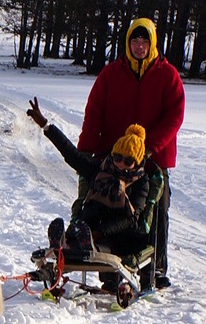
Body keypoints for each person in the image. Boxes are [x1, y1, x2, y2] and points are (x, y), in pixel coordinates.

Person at [76, 17, 184, 288]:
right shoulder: (111, 74)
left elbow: (175, 116)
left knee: (154, 211)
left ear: (152, 43)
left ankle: (155, 267)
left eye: (144, 41)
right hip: (115, 159)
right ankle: (109, 265)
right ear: (127, 43)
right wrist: (87, 150)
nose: (139, 46)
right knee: (110, 212)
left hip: (152, 159)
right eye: (134, 41)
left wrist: (149, 149)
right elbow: (94, 112)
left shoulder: (167, 75)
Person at [27, 97, 163, 267]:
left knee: (107, 240)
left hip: (121, 233)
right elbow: (72, 155)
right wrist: (46, 126)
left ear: (136, 163)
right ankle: (65, 245)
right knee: (85, 224)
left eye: (128, 162)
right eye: (118, 158)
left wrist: (100, 232)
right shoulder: (101, 169)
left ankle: (91, 247)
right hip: (91, 226)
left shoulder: (141, 182)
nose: (121, 164)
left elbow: (131, 219)